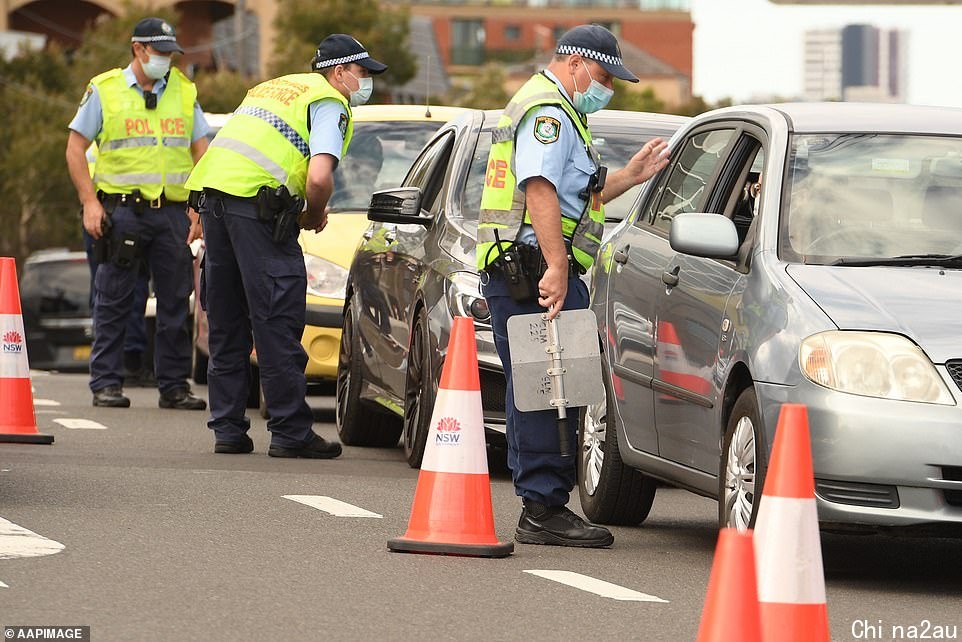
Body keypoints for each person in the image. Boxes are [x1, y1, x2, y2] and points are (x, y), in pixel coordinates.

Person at [477, 24, 670, 547]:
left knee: (545, 384)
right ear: (575, 63)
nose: (605, 87)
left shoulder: (561, 111)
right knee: (549, 388)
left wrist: (630, 175)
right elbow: (539, 190)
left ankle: (540, 505)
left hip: (530, 267)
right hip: (535, 268)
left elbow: (575, 193)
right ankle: (542, 508)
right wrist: (557, 269)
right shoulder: (549, 115)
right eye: (604, 75)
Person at [185, 34, 387, 457]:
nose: (365, 82)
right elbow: (318, 177)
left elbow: (229, 149)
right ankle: (291, 432)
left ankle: (227, 429)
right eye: (362, 73)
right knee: (276, 319)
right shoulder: (331, 102)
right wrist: (314, 214)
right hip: (257, 214)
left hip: (213, 202)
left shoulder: (272, 88)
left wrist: (197, 212)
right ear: (338, 73)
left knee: (227, 318)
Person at [66, 17, 209, 410]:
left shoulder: (183, 90)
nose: (166, 60)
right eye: (160, 52)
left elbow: (201, 150)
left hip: (171, 214)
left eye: (170, 53)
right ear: (138, 48)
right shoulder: (105, 89)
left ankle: (174, 386)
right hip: (122, 212)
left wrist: (198, 209)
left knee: (176, 302)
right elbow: (75, 149)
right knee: (113, 299)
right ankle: (106, 383)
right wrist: (89, 203)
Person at [81, 143, 154, 387]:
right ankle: (128, 361)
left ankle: (111, 363)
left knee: (105, 289)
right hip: (117, 212)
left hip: (104, 211)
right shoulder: (121, 137)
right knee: (127, 287)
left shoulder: (97, 143)